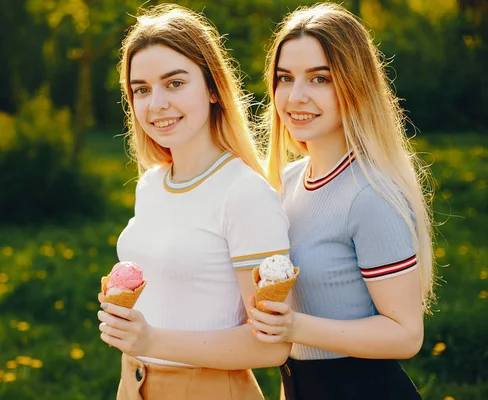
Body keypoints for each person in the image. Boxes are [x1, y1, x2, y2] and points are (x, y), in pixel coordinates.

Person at [97, 4, 291, 399]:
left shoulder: (244, 193)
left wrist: (150, 340)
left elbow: (270, 344)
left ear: (214, 88)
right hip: (133, 386)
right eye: (141, 89)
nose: (156, 105)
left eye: (175, 83)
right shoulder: (150, 186)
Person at [247, 3, 435, 400]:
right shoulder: (291, 181)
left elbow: (406, 334)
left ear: (355, 83)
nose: (296, 96)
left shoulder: (370, 195)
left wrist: (296, 327)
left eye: (320, 78)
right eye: (285, 78)